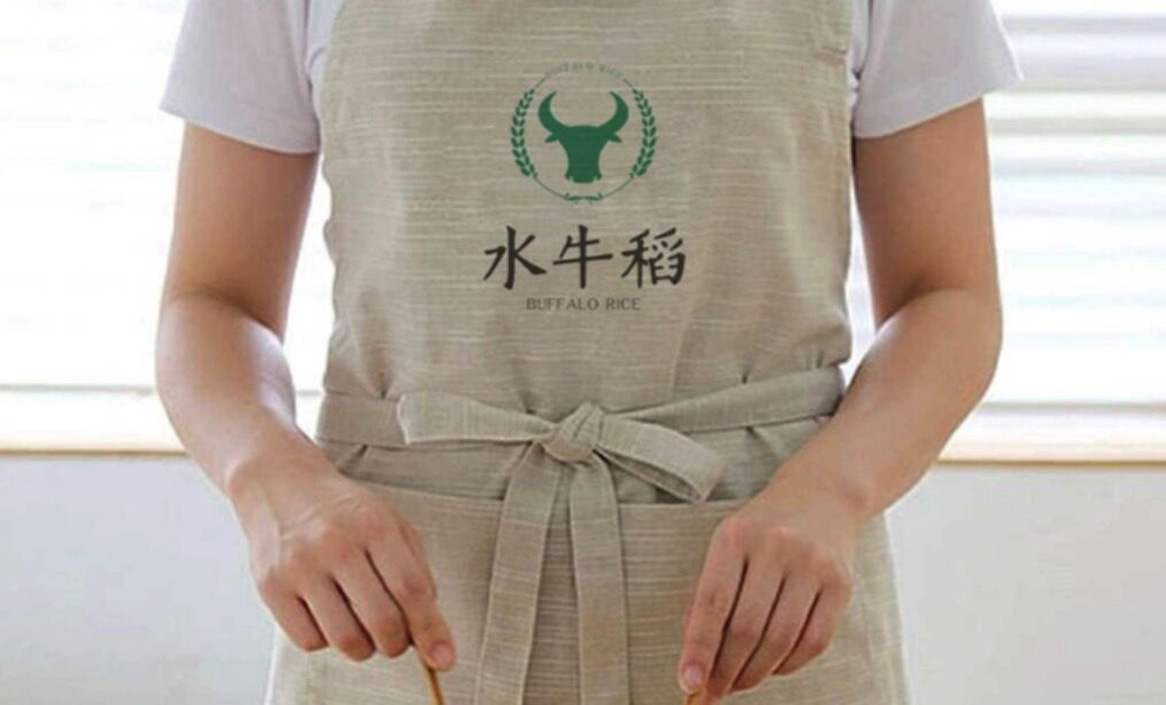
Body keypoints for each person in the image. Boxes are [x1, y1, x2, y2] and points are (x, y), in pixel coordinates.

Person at [154, 0, 1021, 703]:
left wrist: (833, 490)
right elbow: (211, 300)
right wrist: (273, 481)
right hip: (396, 618)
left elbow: (948, 296)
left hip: (769, 621)